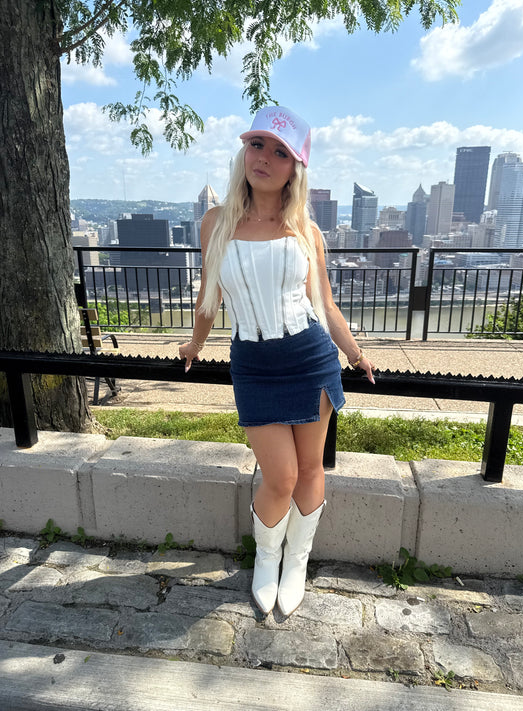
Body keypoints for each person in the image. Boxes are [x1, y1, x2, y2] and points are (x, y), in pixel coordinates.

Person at [179, 105, 375, 616]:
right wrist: (194, 345)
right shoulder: (215, 222)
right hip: (253, 365)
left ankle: (297, 561)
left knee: (310, 469)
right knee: (280, 477)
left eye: (280, 151)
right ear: (244, 151)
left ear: (295, 168)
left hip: (310, 359)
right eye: (257, 144)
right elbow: (208, 300)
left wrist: (355, 353)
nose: (264, 157)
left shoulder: (306, 229)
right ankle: (267, 559)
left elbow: (324, 304)